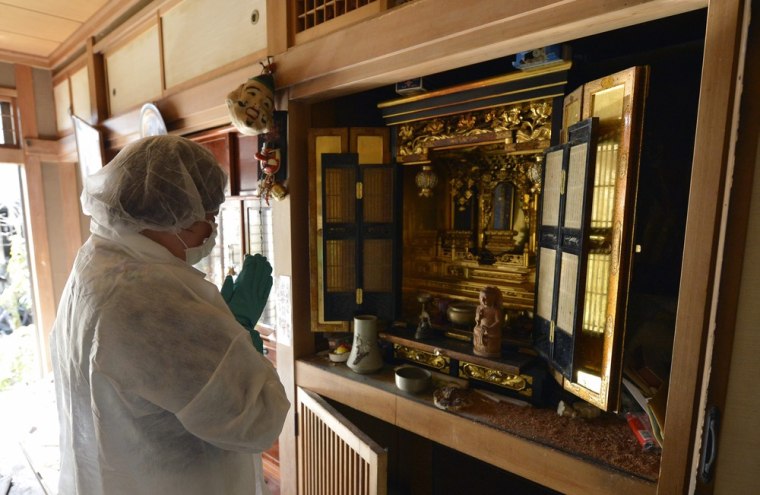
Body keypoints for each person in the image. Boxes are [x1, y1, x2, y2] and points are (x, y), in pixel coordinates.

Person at [50, 135, 290, 495]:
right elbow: (257, 419)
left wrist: (214, 329)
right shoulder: (149, 296)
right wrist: (234, 333)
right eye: (206, 216)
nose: (211, 230)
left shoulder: (96, 260)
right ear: (167, 213)